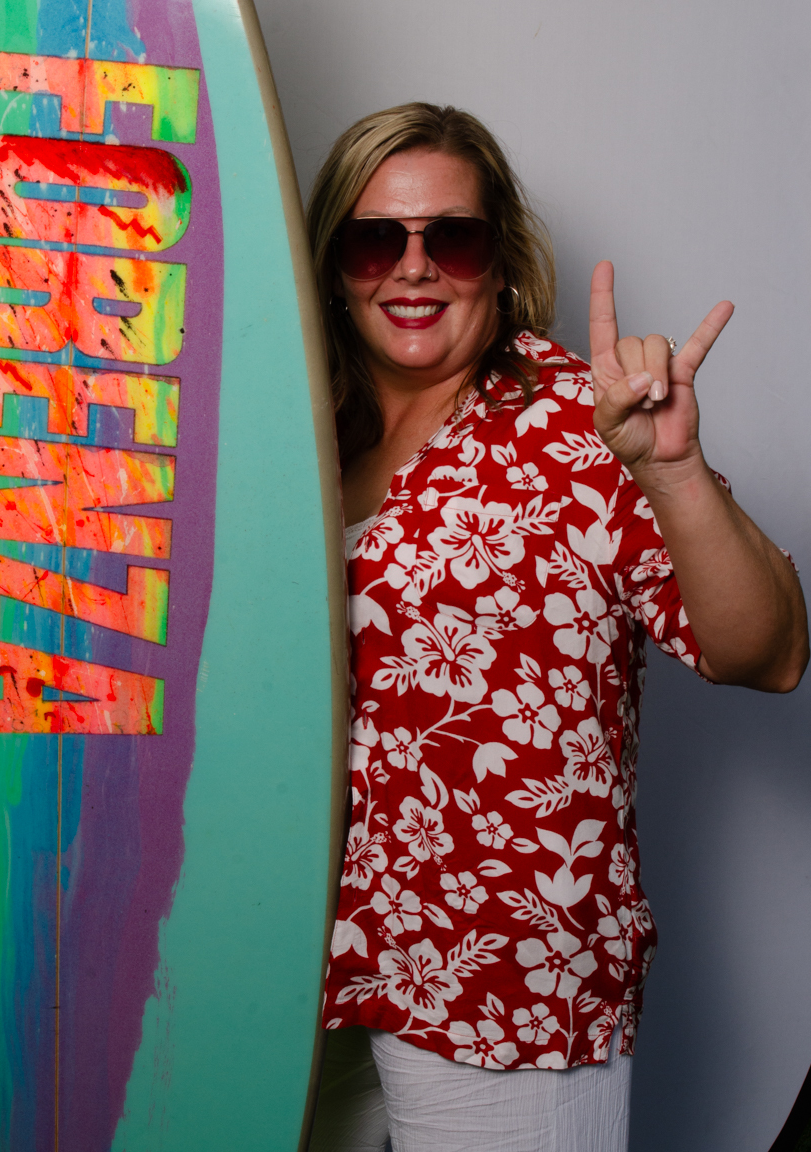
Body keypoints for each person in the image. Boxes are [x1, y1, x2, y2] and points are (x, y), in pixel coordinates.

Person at [305, 103, 808, 1152]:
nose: (413, 267)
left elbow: (767, 654)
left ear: (499, 260)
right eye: (375, 239)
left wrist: (672, 470)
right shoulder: (300, 430)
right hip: (298, 955)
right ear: (334, 265)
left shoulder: (584, 422)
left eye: (451, 237)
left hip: (503, 975)